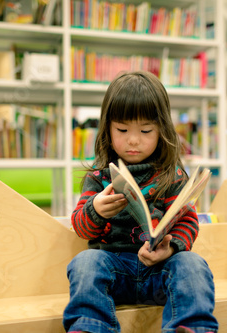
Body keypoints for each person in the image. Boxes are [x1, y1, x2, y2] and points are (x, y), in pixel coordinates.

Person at [63, 70, 219, 333]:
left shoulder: (173, 175)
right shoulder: (100, 177)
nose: (133, 140)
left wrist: (170, 249)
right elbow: (81, 227)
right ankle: (91, 327)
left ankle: (192, 328)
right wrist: (96, 210)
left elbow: (189, 221)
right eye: (122, 130)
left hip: (160, 272)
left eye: (146, 130)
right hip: (114, 272)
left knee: (193, 264)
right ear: (107, 129)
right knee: (85, 262)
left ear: (161, 130)